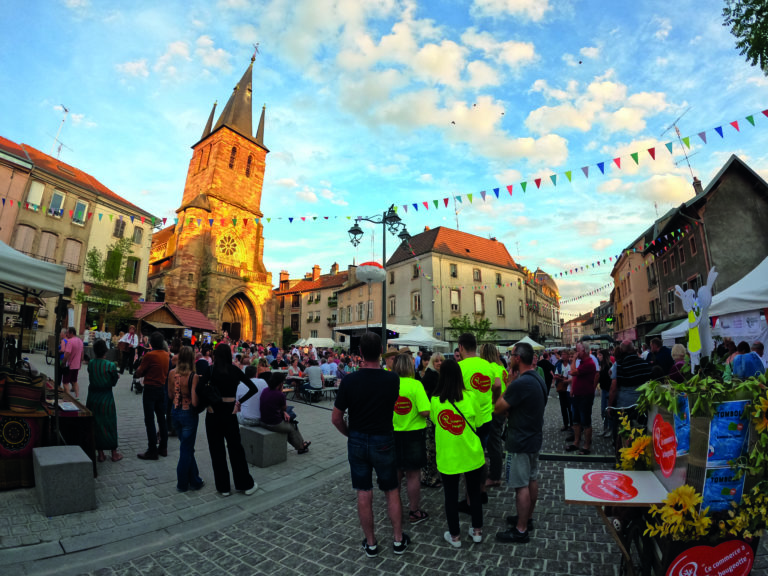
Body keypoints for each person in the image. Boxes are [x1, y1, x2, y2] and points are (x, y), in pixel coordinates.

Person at [331, 332, 410, 558]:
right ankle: (397, 540)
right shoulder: (392, 379)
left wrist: (349, 433)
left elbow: (336, 418)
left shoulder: (350, 380)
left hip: (357, 438)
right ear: (381, 353)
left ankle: (371, 543)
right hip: (383, 438)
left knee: (364, 492)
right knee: (391, 490)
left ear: (361, 353)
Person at [494, 342, 547, 544]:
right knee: (532, 479)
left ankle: (521, 529)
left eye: (511, 354)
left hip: (520, 439)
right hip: (533, 437)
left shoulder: (521, 382)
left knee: (521, 485)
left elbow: (498, 407)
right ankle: (527, 518)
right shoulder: (537, 377)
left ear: (517, 358)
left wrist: (507, 383)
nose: (509, 357)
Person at [430, 358, 485, 547]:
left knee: (450, 497)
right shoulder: (471, 397)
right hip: (471, 453)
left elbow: (436, 422)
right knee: (474, 493)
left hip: (449, 456)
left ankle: (455, 536)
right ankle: (477, 531)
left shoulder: (436, 400)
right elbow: (477, 423)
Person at [205, 343, 259, 496]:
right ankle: (244, 484)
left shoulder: (210, 370)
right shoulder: (234, 369)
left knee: (217, 451)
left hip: (213, 412)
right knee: (235, 449)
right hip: (230, 412)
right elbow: (252, 388)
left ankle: (223, 488)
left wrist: (208, 403)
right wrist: (239, 402)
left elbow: (200, 388)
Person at [456, 333, 497, 510]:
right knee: (482, 456)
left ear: (461, 347)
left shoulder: (460, 367)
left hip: (468, 422)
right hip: (487, 418)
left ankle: (470, 500)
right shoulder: (487, 365)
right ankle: (481, 491)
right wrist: (493, 401)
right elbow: (496, 386)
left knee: (468, 461)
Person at [391, 353, 430, 525]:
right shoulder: (416, 385)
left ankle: (395, 508)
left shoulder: (389, 384)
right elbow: (424, 411)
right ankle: (414, 511)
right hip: (413, 434)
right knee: (413, 475)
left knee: (396, 473)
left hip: (392, 433)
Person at [167, 346, 205, 492]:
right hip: (188, 413)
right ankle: (182, 484)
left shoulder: (171, 373)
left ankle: (195, 479)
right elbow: (195, 402)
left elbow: (170, 396)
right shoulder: (193, 376)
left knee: (187, 448)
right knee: (186, 450)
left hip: (175, 413)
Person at [135, 332, 171, 460]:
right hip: (161, 388)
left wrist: (137, 372)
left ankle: (152, 449)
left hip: (150, 388)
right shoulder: (167, 355)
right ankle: (163, 447)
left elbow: (140, 372)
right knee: (161, 418)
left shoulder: (150, 355)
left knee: (149, 419)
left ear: (151, 343)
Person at [86, 339, 122, 463]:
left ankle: (100, 454)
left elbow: (92, 374)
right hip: (106, 398)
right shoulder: (110, 365)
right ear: (105, 351)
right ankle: (114, 453)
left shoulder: (91, 363)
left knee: (96, 424)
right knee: (109, 424)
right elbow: (113, 382)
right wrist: (116, 377)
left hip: (93, 398)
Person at [260, 373, 311, 453]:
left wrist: (283, 412)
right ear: (281, 383)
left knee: (288, 421)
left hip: (263, 420)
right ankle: (301, 447)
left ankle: (300, 444)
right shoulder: (280, 394)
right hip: (273, 423)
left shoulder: (265, 390)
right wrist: (284, 411)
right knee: (292, 425)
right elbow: (284, 407)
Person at [479, 343, 507, 489]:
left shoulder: (490, 368)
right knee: (495, 443)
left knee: (493, 444)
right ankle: (494, 473)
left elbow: (496, 386)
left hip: (493, 409)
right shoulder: (502, 368)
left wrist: (494, 400)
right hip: (501, 408)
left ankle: (495, 476)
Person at [566, 343, 597, 455]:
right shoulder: (583, 362)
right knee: (576, 421)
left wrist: (573, 360)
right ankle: (576, 442)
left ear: (583, 351)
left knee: (586, 422)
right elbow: (576, 376)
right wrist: (573, 389)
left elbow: (573, 372)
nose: (576, 353)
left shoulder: (589, 363)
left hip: (585, 396)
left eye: (578, 350)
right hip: (578, 395)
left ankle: (586, 446)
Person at [420, 352, 443, 488]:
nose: (439, 363)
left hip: (436, 416)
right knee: (430, 448)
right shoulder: (430, 375)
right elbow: (424, 395)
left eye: (441, 361)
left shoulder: (438, 375)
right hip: (429, 417)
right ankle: (429, 477)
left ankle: (432, 475)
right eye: (436, 361)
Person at [553, 349, 572, 433]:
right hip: (561, 387)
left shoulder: (571, 364)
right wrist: (562, 378)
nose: (563, 356)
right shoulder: (559, 364)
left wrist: (565, 378)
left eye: (565, 354)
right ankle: (565, 424)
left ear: (568, 356)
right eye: (562, 354)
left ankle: (572, 424)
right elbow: (555, 375)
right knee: (563, 406)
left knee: (570, 407)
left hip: (570, 387)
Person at [61, 326, 84, 399]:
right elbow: (82, 353)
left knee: (65, 383)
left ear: (71, 333)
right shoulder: (80, 341)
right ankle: (77, 396)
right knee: (74, 381)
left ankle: (68, 398)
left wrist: (63, 362)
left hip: (69, 365)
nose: (66, 334)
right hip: (77, 365)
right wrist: (80, 362)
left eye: (67, 332)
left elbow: (67, 353)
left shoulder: (70, 341)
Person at [597, 349, 612, 435]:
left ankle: (610, 428)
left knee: (608, 410)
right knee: (603, 410)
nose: (598, 357)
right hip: (603, 389)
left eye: (600, 355)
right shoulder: (601, 365)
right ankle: (605, 427)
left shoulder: (609, 365)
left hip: (608, 390)